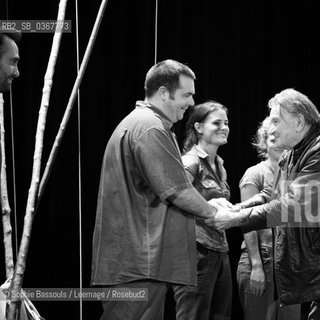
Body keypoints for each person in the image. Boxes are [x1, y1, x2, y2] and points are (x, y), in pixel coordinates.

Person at [207, 88, 320, 320]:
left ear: (299, 122)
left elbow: (292, 206)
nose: (271, 128)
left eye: (277, 120)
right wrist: (238, 208)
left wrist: (235, 219)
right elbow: (273, 192)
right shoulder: (295, 152)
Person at [91, 60, 226, 320]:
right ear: (164, 92)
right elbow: (177, 191)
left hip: (140, 262)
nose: (191, 102)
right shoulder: (150, 126)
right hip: (140, 263)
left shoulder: (145, 123)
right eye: (186, 94)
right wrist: (215, 213)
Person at [172, 101, 232, 320]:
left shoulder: (220, 164)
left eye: (226, 122)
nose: (224, 127)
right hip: (196, 251)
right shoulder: (190, 161)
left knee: (220, 315)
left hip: (219, 250)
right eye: (216, 123)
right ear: (198, 128)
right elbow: (176, 197)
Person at [236, 117, 300, 320]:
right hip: (261, 260)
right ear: (264, 142)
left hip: (287, 265)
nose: (276, 141)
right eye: (271, 137)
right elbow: (247, 222)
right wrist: (256, 266)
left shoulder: (295, 175)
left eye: (279, 136)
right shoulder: (255, 173)